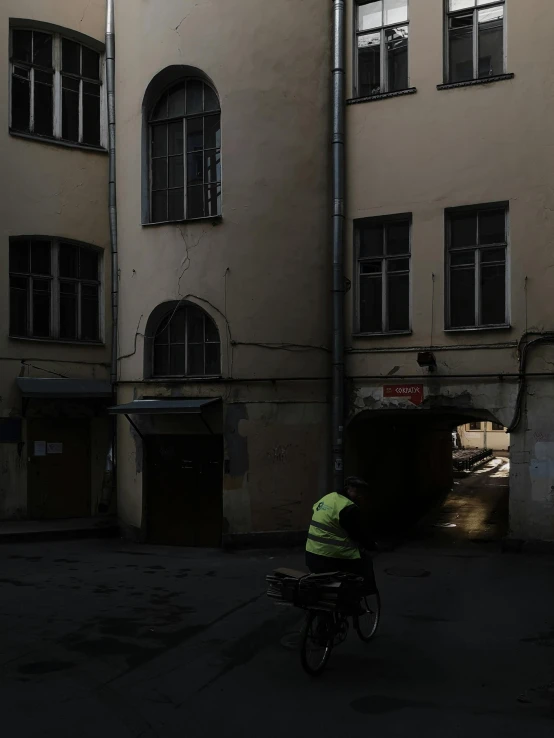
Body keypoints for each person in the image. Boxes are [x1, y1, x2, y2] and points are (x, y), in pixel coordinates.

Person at [305, 476, 377, 594]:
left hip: (311, 555)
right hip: (331, 559)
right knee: (365, 561)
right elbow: (359, 534)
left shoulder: (328, 498)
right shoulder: (348, 507)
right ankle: (364, 591)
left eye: (362, 494)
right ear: (348, 489)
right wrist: (372, 545)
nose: (360, 496)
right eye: (357, 492)